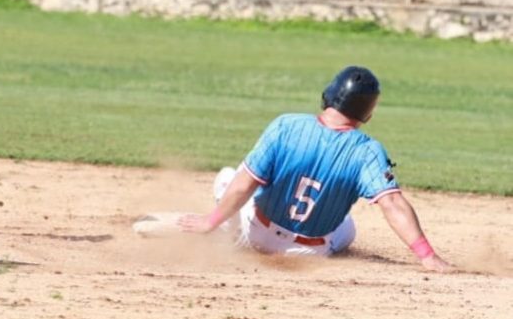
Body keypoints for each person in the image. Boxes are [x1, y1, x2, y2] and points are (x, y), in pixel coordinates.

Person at [167, 66, 451, 272]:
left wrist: (210, 220)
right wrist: (427, 256)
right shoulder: (367, 150)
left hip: (255, 232)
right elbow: (392, 203)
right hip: (308, 251)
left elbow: (244, 184)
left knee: (230, 176)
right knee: (348, 227)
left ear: (328, 95)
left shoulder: (286, 125)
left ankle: (224, 233)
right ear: (368, 113)